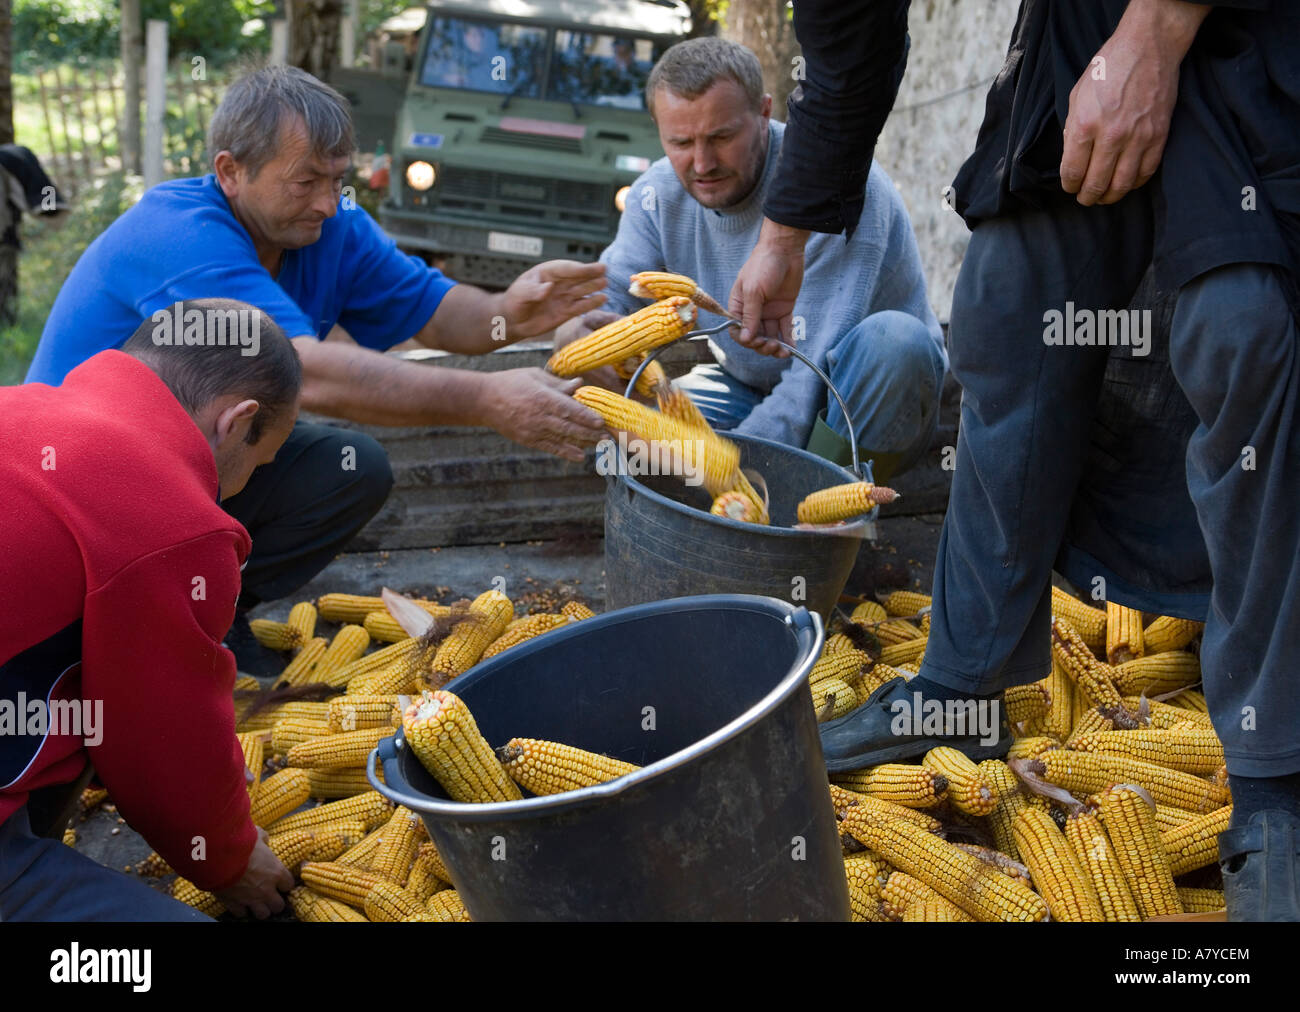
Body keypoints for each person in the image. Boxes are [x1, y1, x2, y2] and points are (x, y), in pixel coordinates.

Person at [730, 0, 1300, 921]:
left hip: (1252, 40)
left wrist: (1155, 33)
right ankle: (964, 688)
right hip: (1080, 35)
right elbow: (847, 54)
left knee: (1245, 334)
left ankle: (1276, 779)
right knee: (1010, 309)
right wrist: (781, 238)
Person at [25, 66, 608, 670]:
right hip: (77, 485)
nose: (328, 202)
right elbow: (306, 370)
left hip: (193, 458)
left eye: (337, 179)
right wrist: (487, 400)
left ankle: (210, 616)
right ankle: (122, 627)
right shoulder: (177, 235)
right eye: (305, 181)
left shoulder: (329, 227)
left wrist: (508, 312)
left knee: (351, 470)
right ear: (230, 172)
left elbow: (434, 311)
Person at [1, 300, 302, 920]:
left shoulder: (16, 406)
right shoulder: (176, 523)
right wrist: (231, 860)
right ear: (238, 421)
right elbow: (160, 741)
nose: (241, 486)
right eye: (258, 461)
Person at [560, 37, 945, 482]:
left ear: (764, 113)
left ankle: (822, 509)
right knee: (653, 420)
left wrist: (739, 474)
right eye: (681, 141)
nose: (701, 163)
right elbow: (616, 294)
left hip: (862, 398)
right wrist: (579, 331)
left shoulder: (839, 190)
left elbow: (811, 374)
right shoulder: (656, 195)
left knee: (894, 341)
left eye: (721, 137)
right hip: (744, 387)